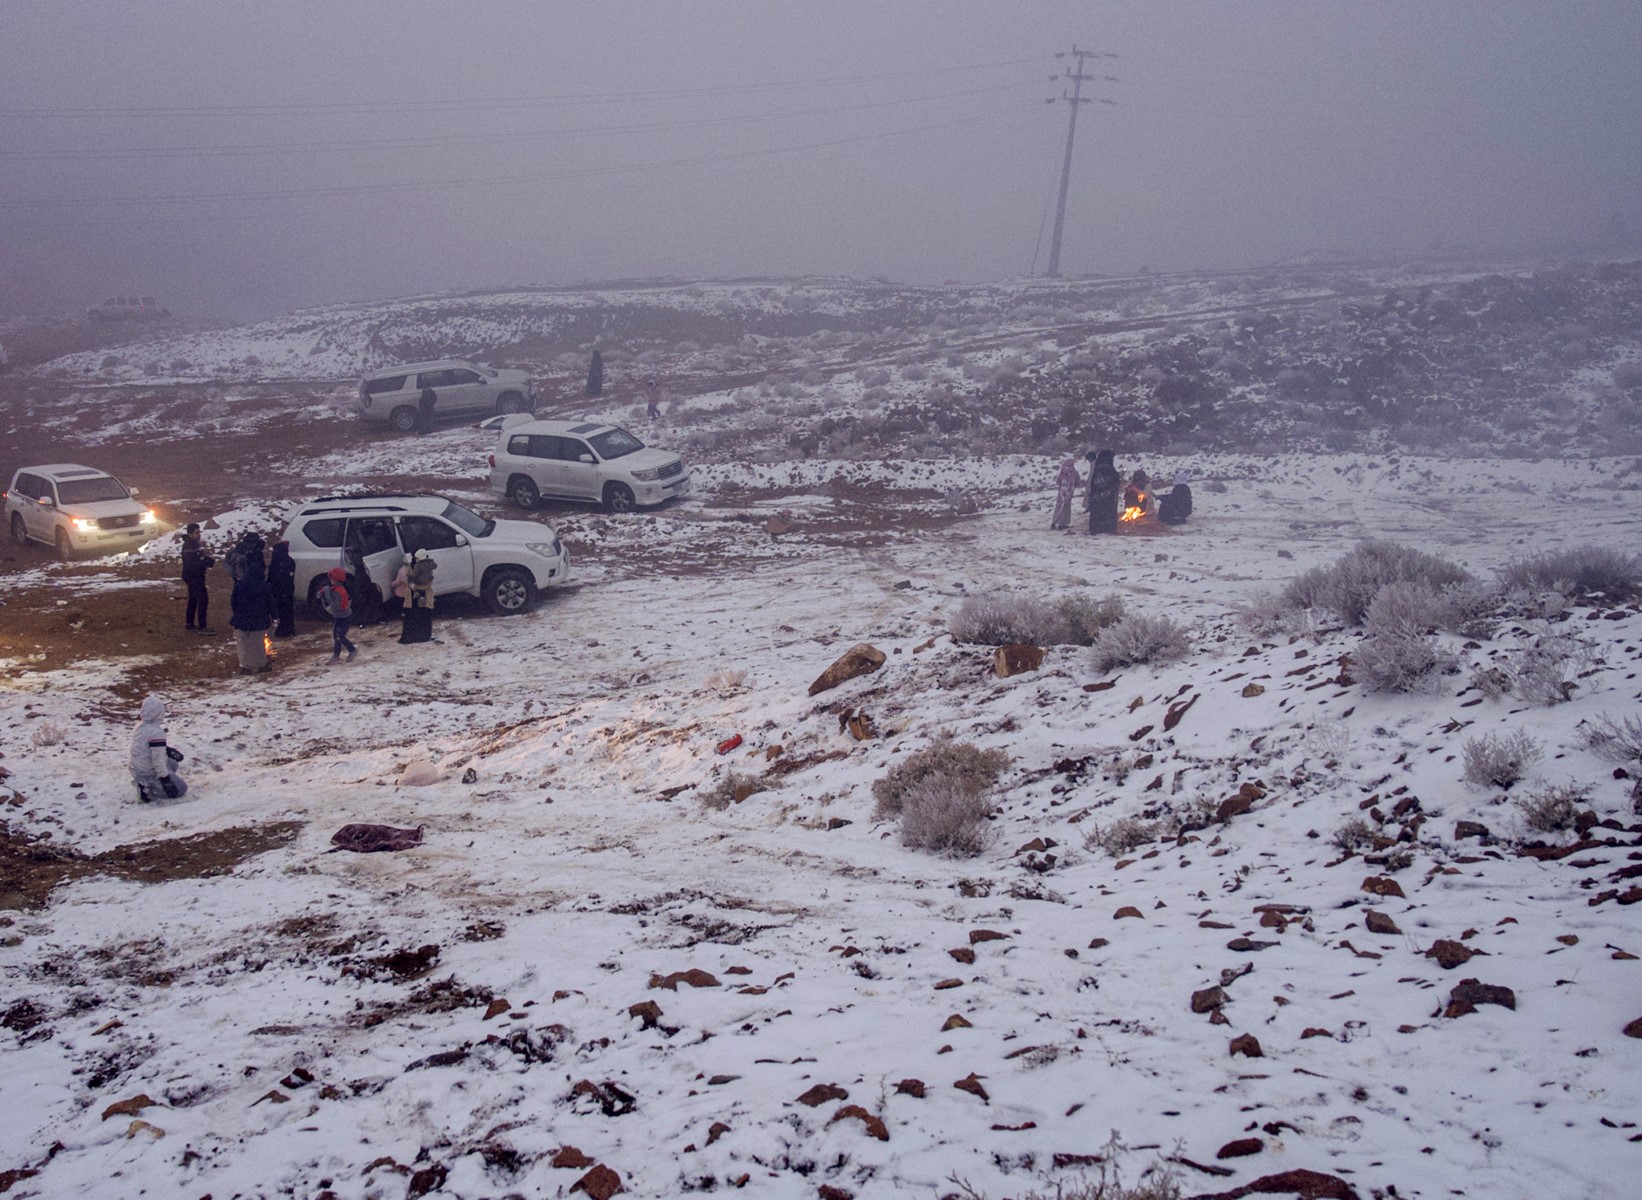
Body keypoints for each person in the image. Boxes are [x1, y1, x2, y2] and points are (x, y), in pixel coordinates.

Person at [129, 695, 187, 802]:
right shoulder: (157, 733)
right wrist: (165, 780)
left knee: (173, 763)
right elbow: (158, 759)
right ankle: (148, 790)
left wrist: (166, 750)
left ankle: (143, 782)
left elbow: (144, 747)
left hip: (137, 769)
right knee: (181, 788)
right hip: (148, 772)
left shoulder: (140, 727)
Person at [229, 552, 275, 674]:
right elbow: (270, 603)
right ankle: (261, 665)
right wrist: (274, 616)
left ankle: (245, 666)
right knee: (258, 644)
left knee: (243, 644)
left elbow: (233, 602)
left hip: (241, 620)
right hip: (259, 620)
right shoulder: (263, 586)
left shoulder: (239, 585)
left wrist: (237, 613)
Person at [318, 566, 357, 662]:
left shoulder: (339, 592)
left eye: (332, 579)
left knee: (340, 636)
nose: (330, 581)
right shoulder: (335, 589)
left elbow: (335, 606)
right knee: (337, 636)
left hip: (344, 617)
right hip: (338, 616)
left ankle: (352, 650)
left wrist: (327, 594)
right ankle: (336, 655)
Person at [180, 523, 215, 633]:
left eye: (199, 532)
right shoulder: (189, 546)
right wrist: (205, 563)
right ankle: (202, 627)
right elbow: (192, 564)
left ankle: (189, 623)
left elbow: (200, 557)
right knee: (203, 600)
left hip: (194, 575)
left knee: (193, 598)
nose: (199, 534)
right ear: (190, 534)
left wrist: (207, 560)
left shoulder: (194, 544)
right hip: (193, 576)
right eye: (196, 533)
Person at [400, 549, 437, 644]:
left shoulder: (418, 566)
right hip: (423, 594)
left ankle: (414, 636)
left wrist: (412, 583)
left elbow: (412, 577)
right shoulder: (429, 565)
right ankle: (423, 635)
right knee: (424, 615)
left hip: (416, 593)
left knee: (415, 615)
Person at [1086, 449, 1121, 535]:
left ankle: (1095, 529)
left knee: (1096, 513)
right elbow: (1114, 481)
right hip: (1107, 496)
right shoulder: (1109, 468)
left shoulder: (1097, 467)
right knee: (1107, 512)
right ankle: (1108, 528)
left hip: (1096, 494)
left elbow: (1093, 482)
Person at [268, 540, 297, 638]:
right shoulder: (287, 561)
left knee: (283, 610)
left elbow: (276, 576)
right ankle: (287, 629)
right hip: (284, 589)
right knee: (285, 610)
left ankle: (284, 630)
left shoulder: (282, 562)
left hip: (282, 589)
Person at [1051, 458, 1081, 530]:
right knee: (1066, 508)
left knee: (1059, 507)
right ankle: (1062, 524)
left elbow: (1058, 481)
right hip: (1069, 493)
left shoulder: (1062, 471)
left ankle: (1054, 522)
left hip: (1061, 493)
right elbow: (1077, 481)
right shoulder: (1073, 472)